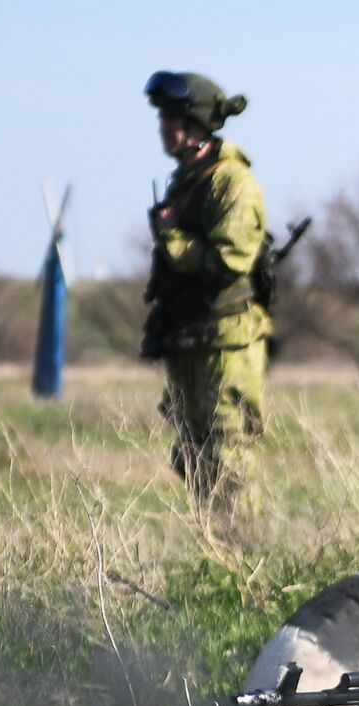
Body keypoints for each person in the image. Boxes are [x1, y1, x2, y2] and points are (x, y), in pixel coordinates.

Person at [141, 70, 270, 512]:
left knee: (227, 455)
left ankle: (241, 564)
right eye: (163, 119)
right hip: (190, 339)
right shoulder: (187, 180)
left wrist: (171, 237)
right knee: (193, 457)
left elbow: (230, 261)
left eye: (173, 119)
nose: (164, 129)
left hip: (225, 343)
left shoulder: (231, 182)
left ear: (197, 125)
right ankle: (213, 550)